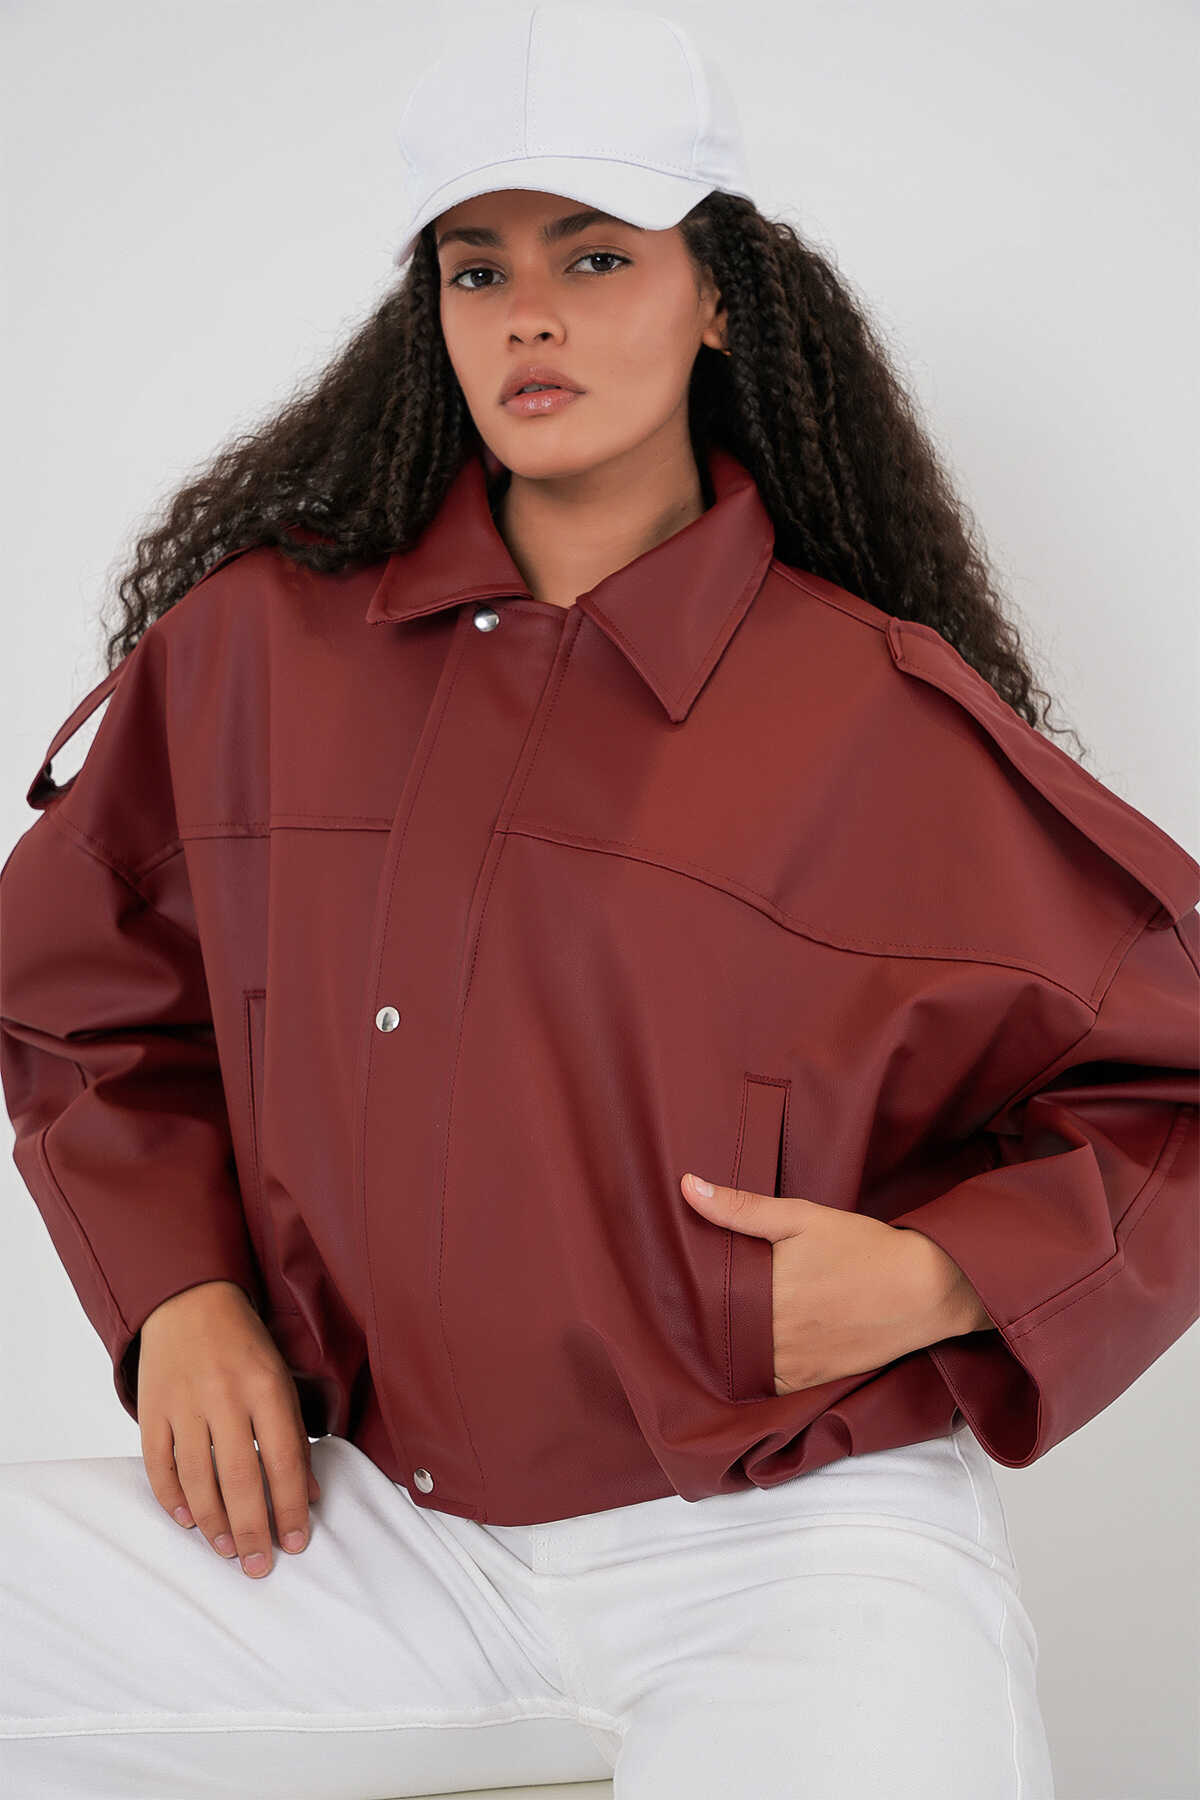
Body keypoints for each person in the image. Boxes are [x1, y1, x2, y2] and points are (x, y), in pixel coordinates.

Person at [1, 6, 1196, 1797]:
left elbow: (1176, 1075)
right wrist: (175, 1294)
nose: (530, 315)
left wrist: (949, 1272)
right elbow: (78, 985)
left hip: (783, 1538)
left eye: (596, 255)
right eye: (478, 269)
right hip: (360, 1527)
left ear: (719, 296)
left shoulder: (875, 715)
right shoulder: (257, 651)